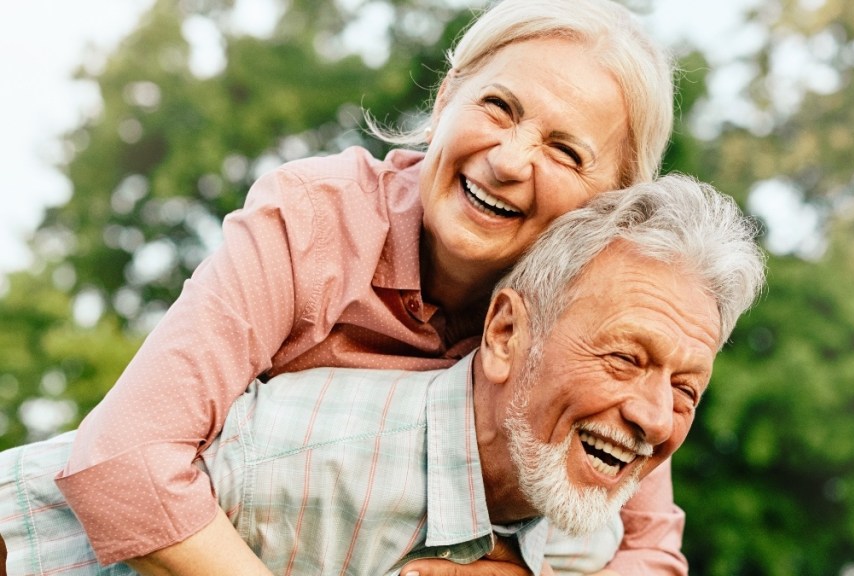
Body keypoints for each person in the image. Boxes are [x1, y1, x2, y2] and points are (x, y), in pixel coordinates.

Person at [50, 0, 682, 574]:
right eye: (498, 107)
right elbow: (124, 457)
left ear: (611, 205)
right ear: (444, 100)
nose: (509, 161)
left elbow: (650, 551)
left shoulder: (594, 317)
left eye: (566, 151)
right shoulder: (311, 222)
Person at [0, 175, 766, 576]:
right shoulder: (290, 461)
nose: (655, 416)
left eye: (686, 390)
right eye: (625, 358)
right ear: (504, 334)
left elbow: (658, 552)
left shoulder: (587, 521)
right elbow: (50, 504)